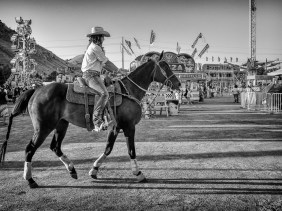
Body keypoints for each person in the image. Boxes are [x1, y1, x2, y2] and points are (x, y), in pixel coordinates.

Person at [81, 26, 121, 132]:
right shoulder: (95, 47)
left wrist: (108, 74)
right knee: (104, 94)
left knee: (108, 88)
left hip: (95, 74)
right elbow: (106, 63)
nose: (103, 39)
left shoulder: (94, 47)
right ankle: (97, 121)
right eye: (102, 37)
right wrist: (119, 70)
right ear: (98, 37)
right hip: (91, 76)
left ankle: (108, 118)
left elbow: (101, 65)